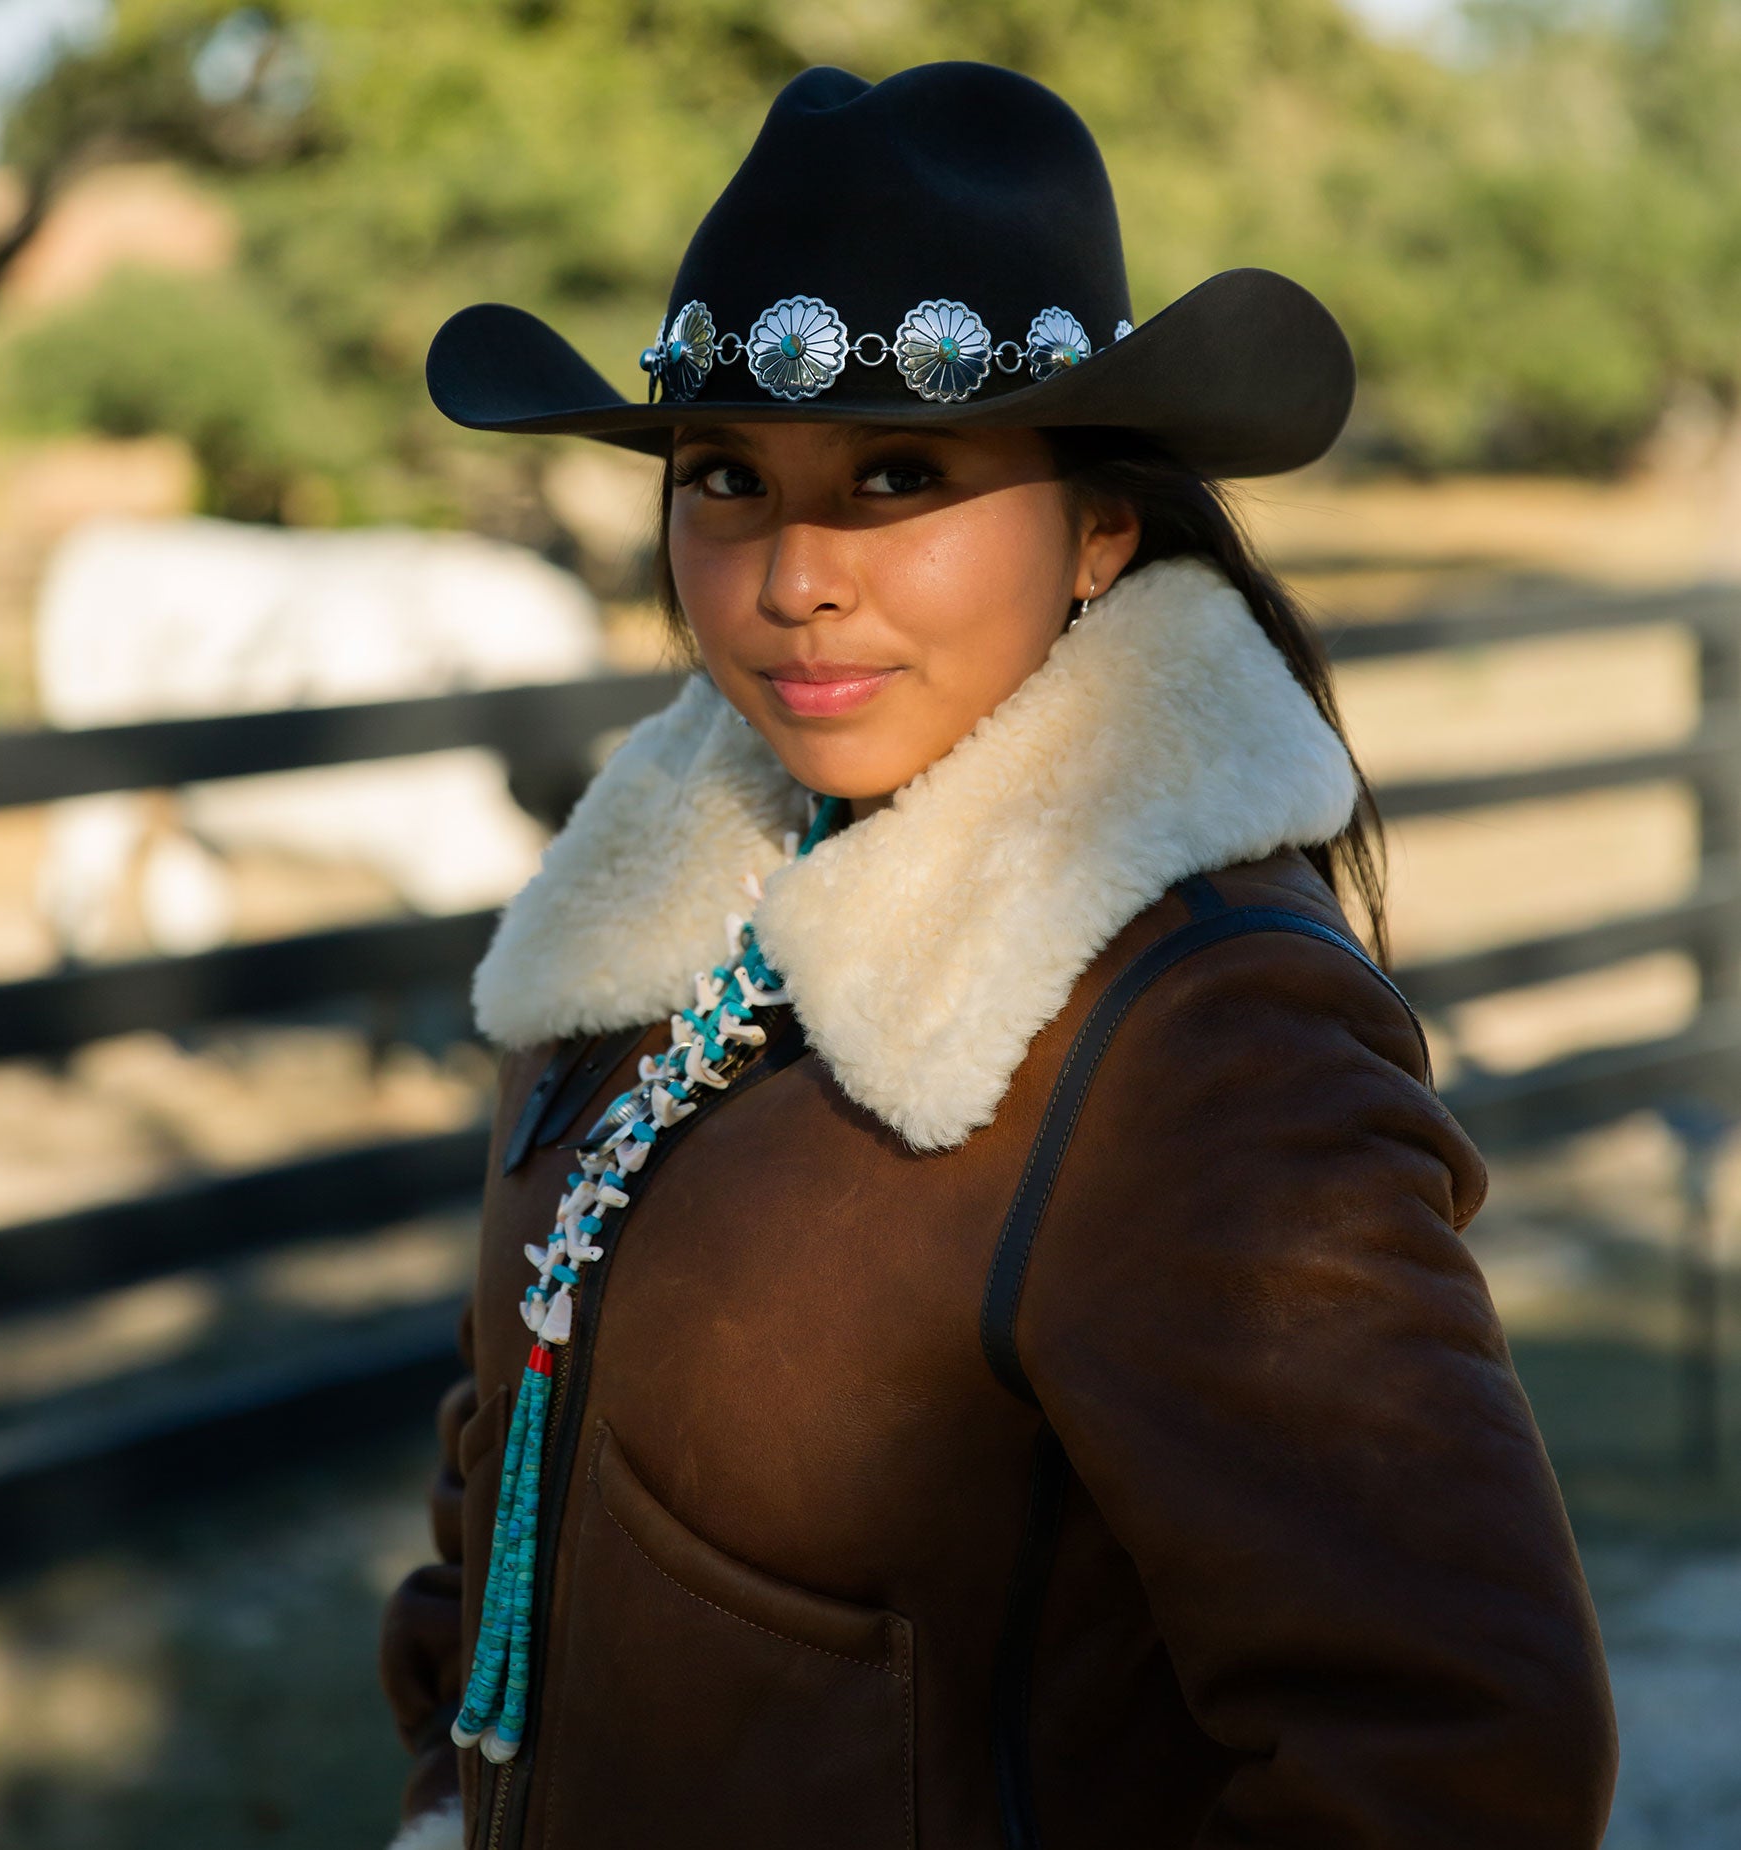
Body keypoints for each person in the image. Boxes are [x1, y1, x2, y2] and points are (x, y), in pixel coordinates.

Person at [378, 59, 1619, 1850]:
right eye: (724, 473)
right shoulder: (643, 928)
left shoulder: (1198, 1036)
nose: (794, 572)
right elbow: (506, 1458)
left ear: (1099, 526)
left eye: (901, 472)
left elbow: (1460, 1754)